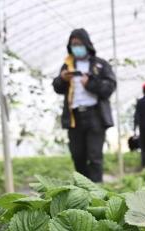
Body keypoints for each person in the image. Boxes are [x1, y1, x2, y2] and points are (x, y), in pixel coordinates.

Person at [52, 28, 116, 182]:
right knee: (78, 155)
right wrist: (62, 79)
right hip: (75, 117)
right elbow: (57, 87)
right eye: (73, 44)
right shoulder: (67, 66)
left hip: (95, 115)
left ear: (87, 44)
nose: (76, 47)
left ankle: (97, 194)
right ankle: (82, 191)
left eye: (79, 44)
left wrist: (91, 83)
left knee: (94, 156)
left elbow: (110, 87)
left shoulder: (100, 65)